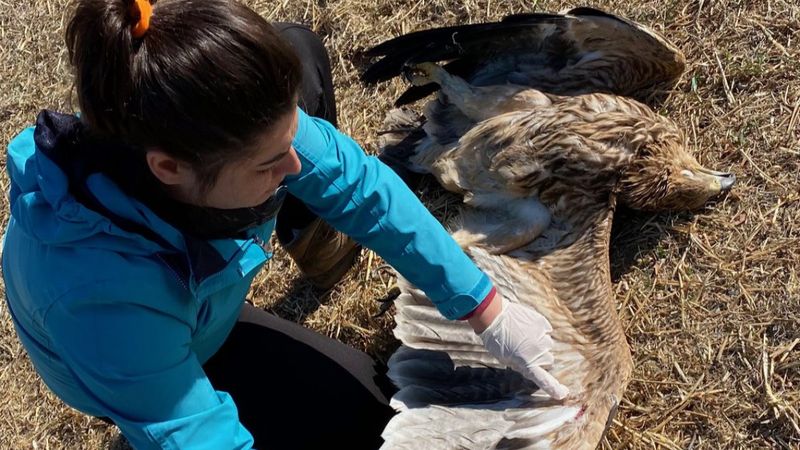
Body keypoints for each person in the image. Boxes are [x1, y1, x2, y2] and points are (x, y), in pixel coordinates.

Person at [2, 0, 568, 448]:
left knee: (298, 48)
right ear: (168, 168)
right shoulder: (101, 297)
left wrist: (481, 303)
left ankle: (307, 241)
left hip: (191, 285)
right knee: (366, 423)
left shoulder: (219, 130)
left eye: (289, 137)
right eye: (271, 163)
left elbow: (363, 189)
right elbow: (197, 438)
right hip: (162, 343)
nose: (295, 165)